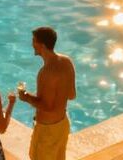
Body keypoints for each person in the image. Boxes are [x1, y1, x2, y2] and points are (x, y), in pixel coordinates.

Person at [19, 26, 76, 160]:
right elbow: (72, 95)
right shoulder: (67, 61)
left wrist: (26, 97)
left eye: (34, 41)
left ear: (42, 45)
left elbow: (47, 106)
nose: (32, 44)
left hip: (47, 131)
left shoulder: (45, 73)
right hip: (62, 124)